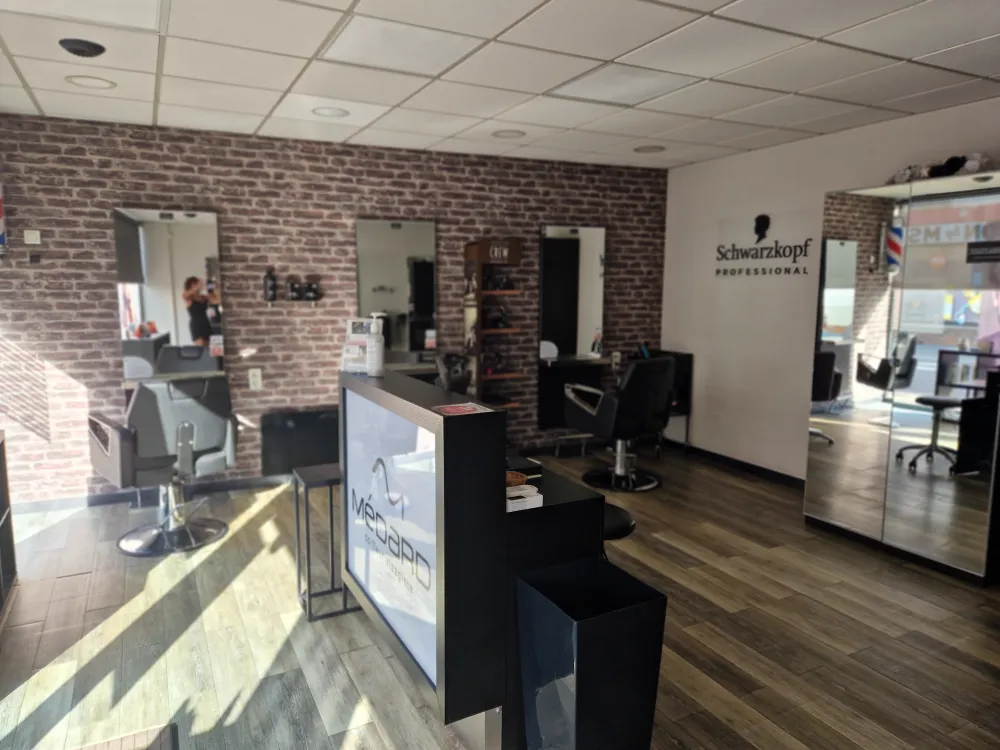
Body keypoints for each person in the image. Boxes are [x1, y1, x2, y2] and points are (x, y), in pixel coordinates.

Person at [182, 276, 218, 347]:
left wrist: (214, 286)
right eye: (193, 285)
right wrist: (198, 286)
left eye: (196, 283)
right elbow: (184, 295)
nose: (196, 286)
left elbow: (216, 300)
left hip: (206, 324)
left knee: (211, 348)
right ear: (189, 287)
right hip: (196, 326)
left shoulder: (203, 297)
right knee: (201, 348)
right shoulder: (189, 298)